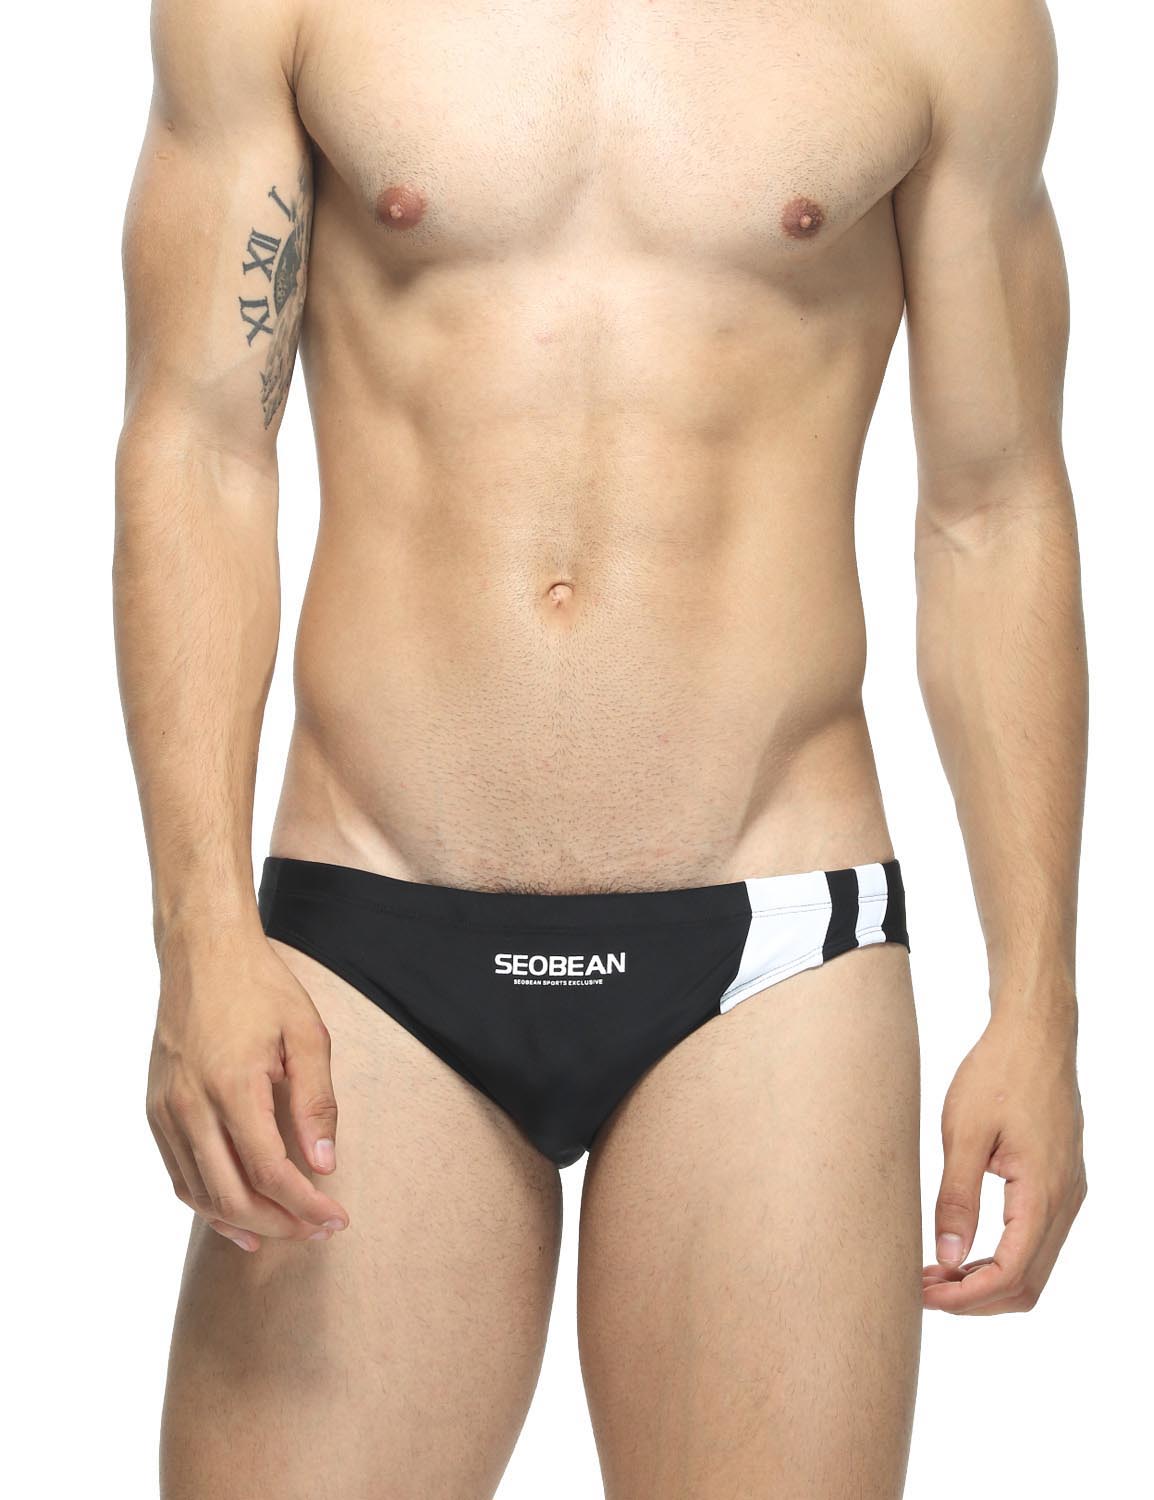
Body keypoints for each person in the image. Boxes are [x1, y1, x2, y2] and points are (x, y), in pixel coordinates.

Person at [114, 0, 1087, 1493]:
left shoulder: (941, 20)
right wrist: (198, 937)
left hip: (774, 938)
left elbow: (994, 504)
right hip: (367, 934)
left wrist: (1038, 1005)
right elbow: (199, 445)